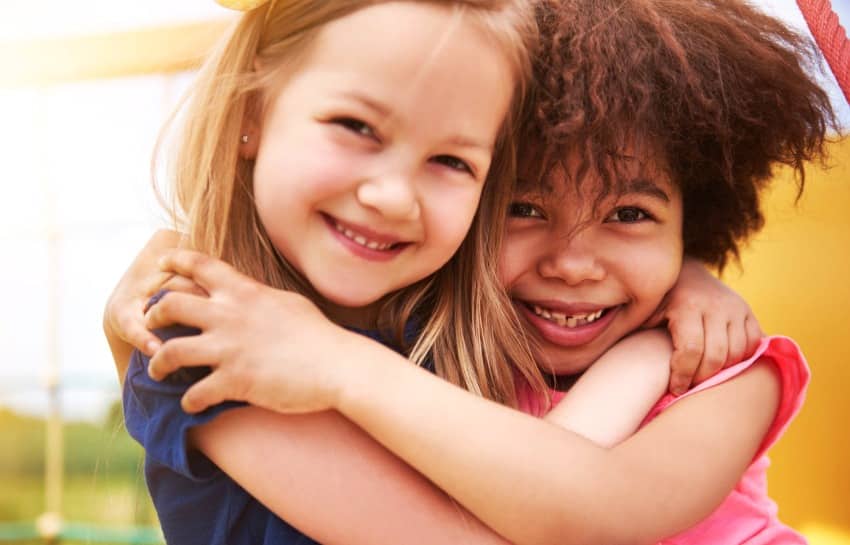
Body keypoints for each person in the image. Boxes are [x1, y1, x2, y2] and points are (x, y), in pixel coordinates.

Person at [105, 0, 838, 544]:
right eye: (524, 206)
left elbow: (584, 492)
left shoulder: (446, 332)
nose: (574, 262)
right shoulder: (221, 339)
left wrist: (678, 295)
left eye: (451, 161)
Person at [111, 0, 549, 543]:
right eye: (355, 126)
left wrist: (678, 288)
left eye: (452, 161)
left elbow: (597, 487)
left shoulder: (476, 336)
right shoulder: (204, 336)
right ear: (251, 113)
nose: (393, 197)